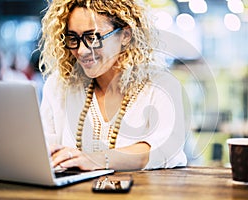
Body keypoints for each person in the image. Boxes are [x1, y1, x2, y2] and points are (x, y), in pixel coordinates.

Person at [39, 0, 187, 171]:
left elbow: (165, 150)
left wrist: (94, 159)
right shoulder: (59, 85)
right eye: (73, 38)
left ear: (125, 35)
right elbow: (44, 149)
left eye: (93, 38)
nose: (81, 50)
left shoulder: (161, 85)